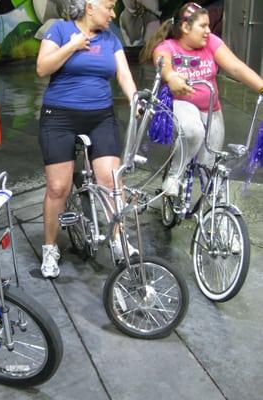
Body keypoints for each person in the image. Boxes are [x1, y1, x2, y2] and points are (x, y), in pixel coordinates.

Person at [36, 0, 138, 278]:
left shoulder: (111, 39)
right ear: (90, 6)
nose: (114, 13)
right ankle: (49, 248)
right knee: (58, 187)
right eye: (109, 7)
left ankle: (118, 239)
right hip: (59, 117)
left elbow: (124, 75)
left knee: (110, 180)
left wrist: (135, 100)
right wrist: (72, 46)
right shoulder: (59, 30)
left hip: (100, 118)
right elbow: (42, 68)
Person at [139, 2, 263, 196]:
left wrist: (261, 87)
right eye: (202, 26)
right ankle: (174, 175)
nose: (208, 30)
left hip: (212, 110)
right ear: (186, 27)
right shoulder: (167, 46)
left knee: (209, 164)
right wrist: (172, 77)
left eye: (208, 25)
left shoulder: (211, 42)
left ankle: (208, 214)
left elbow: (236, 68)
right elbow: (164, 64)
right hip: (182, 105)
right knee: (192, 131)